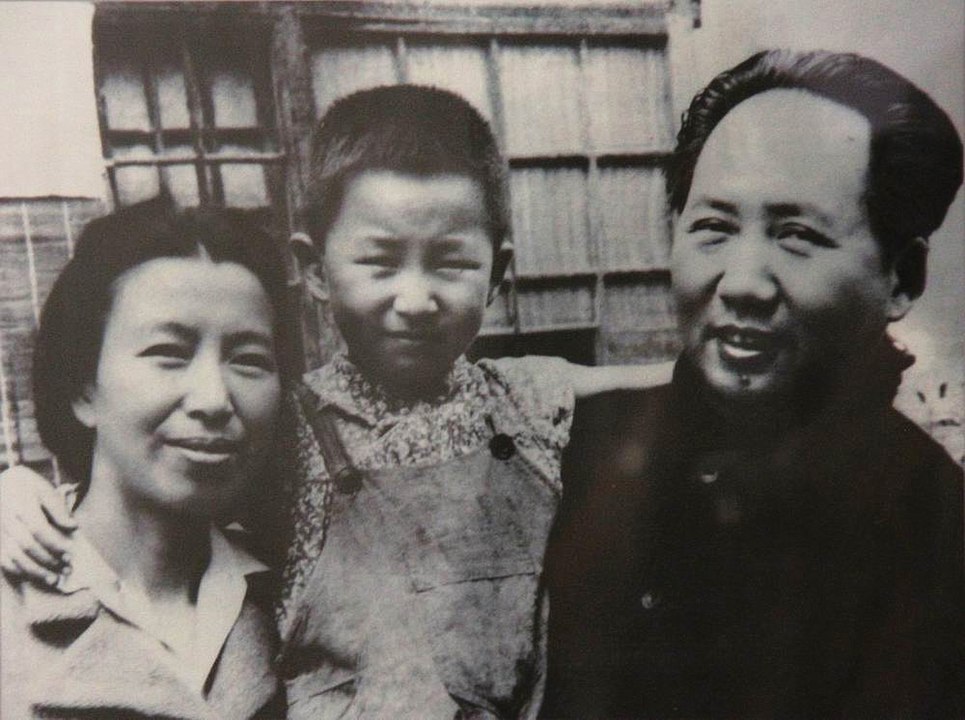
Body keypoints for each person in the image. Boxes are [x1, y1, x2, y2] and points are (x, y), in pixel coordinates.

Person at [2, 85, 671, 719]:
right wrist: (19, 491)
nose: (415, 299)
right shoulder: (286, 431)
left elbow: (663, 382)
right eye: (380, 261)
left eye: (449, 262)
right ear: (316, 270)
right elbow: (131, 486)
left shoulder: (526, 403)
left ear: (496, 274)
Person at [541, 49, 964, 719]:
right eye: (711, 227)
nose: (740, 282)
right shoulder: (577, 452)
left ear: (900, 278)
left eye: (796, 235)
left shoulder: (935, 518)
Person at [1, 197, 289, 718]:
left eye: (248, 360)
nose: (213, 400)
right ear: (83, 388)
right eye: (169, 355)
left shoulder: (295, 593)